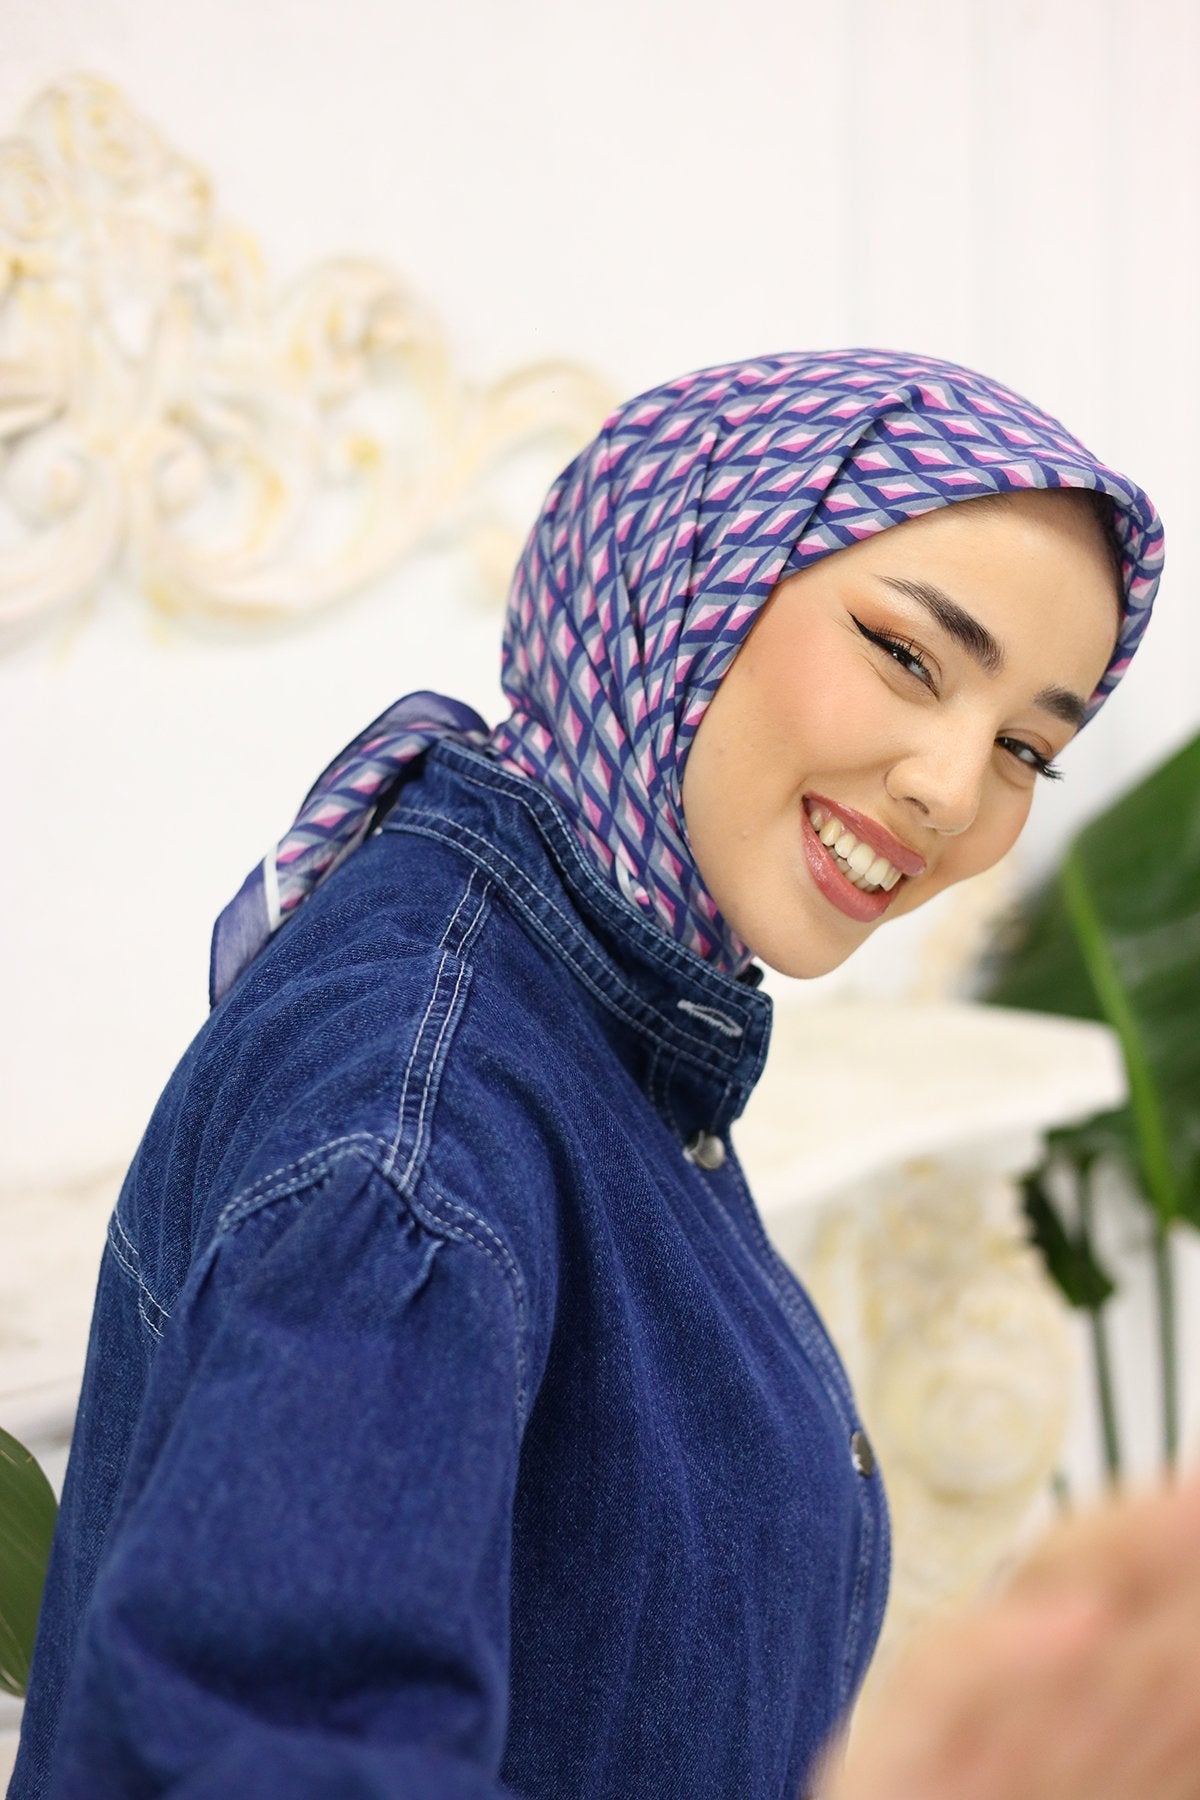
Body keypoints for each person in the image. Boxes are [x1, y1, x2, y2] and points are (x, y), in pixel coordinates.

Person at [8, 349, 1171, 1799]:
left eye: (1024, 749)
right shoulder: (420, 1118)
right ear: (696, 576)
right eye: (907, 655)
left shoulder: (596, 1002)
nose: (950, 787)